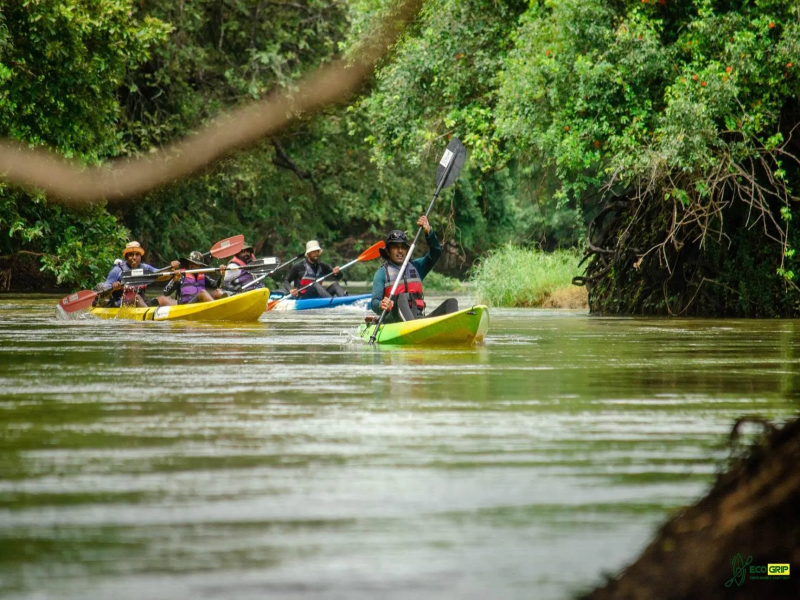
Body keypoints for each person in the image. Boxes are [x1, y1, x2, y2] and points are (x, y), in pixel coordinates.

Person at [371, 216, 458, 322]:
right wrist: (381, 304)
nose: (400, 251)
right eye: (395, 247)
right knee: (401, 297)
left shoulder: (417, 267)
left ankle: (455, 330)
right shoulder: (381, 273)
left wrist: (429, 233)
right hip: (394, 321)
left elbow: (436, 252)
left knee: (451, 303)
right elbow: (374, 302)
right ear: (388, 251)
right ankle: (413, 328)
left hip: (418, 320)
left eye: (403, 247)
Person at [94, 241, 178, 308]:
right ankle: (149, 318)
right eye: (131, 254)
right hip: (121, 305)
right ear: (126, 257)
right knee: (136, 297)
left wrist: (172, 269)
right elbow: (104, 294)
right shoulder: (117, 270)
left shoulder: (145, 268)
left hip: (142, 303)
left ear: (140, 256)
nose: (134, 257)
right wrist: (113, 288)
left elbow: (161, 276)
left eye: (137, 254)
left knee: (164, 299)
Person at [162, 251, 226, 304]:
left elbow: (217, 285)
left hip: (200, 303)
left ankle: (226, 306)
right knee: (202, 293)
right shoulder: (181, 276)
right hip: (186, 306)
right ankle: (216, 309)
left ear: (200, 266)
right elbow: (166, 292)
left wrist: (222, 274)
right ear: (188, 264)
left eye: (195, 264)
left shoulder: (203, 276)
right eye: (191, 263)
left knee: (217, 292)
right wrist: (174, 280)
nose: (192, 266)